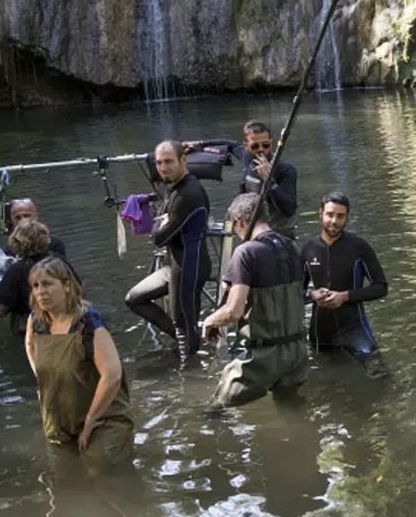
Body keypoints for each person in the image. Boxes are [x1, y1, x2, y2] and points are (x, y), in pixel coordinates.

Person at [25, 257, 133, 473]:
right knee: (65, 480)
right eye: (36, 286)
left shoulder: (89, 324)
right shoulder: (36, 321)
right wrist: (44, 381)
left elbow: (111, 376)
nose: (40, 292)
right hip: (59, 416)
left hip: (103, 418)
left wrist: (90, 421)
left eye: (47, 284)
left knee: (103, 471)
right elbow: (30, 345)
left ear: (66, 286)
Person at [203, 193, 308, 407]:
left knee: (215, 409)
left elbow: (234, 311)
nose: (236, 234)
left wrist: (210, 321)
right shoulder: (292, 247)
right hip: (297, 353)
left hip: (263, 357)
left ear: (240, 222)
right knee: (290, 410)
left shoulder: (245, 253)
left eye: (235, 228)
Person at [124, 140, 211, 359]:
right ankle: (193, 343)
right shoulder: (174, 188)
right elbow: (162, 228)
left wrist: (160, 224)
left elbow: (160, 238)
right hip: (174, 265)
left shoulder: (187, 194)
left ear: (183, 160)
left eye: (168, 161)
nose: (163, 167)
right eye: (159, 162)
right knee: (134, 298)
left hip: (190, 267)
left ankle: (188, 375)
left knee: (183, 324)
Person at [301, 191, 389, 378]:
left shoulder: (358, 247)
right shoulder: (308, 249)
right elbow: (294, 292)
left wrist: (345, 296)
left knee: (380, 376)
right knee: (327, 381)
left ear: (347, 217)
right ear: (320, 214)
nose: (334, 221)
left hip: (354, 326)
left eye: (340, 216)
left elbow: (381, 287)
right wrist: (312, 295)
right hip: (320, 331)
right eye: (330, 214)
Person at [189, 121, 298, 236]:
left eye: (265, 145)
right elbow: (230, 145)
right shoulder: (247, 158)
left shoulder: (285, 169)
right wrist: (199, 145)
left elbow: (289, 209)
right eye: (255, 146)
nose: (261, 150)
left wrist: (269, 180)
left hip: (278, 234)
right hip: (250, 230)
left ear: (271, 143)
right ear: (246, 146)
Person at [0, 219, 56, 334]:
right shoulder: (59, 262)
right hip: (63, 323)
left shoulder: (16, 271)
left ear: (15, 242)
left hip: (30, 329)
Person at [1, 198, 66, 258]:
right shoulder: (8, 252)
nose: (23, 220)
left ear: (35, 216)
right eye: (17, 218)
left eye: (26, 216)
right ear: (11, 220)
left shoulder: (54, 244)